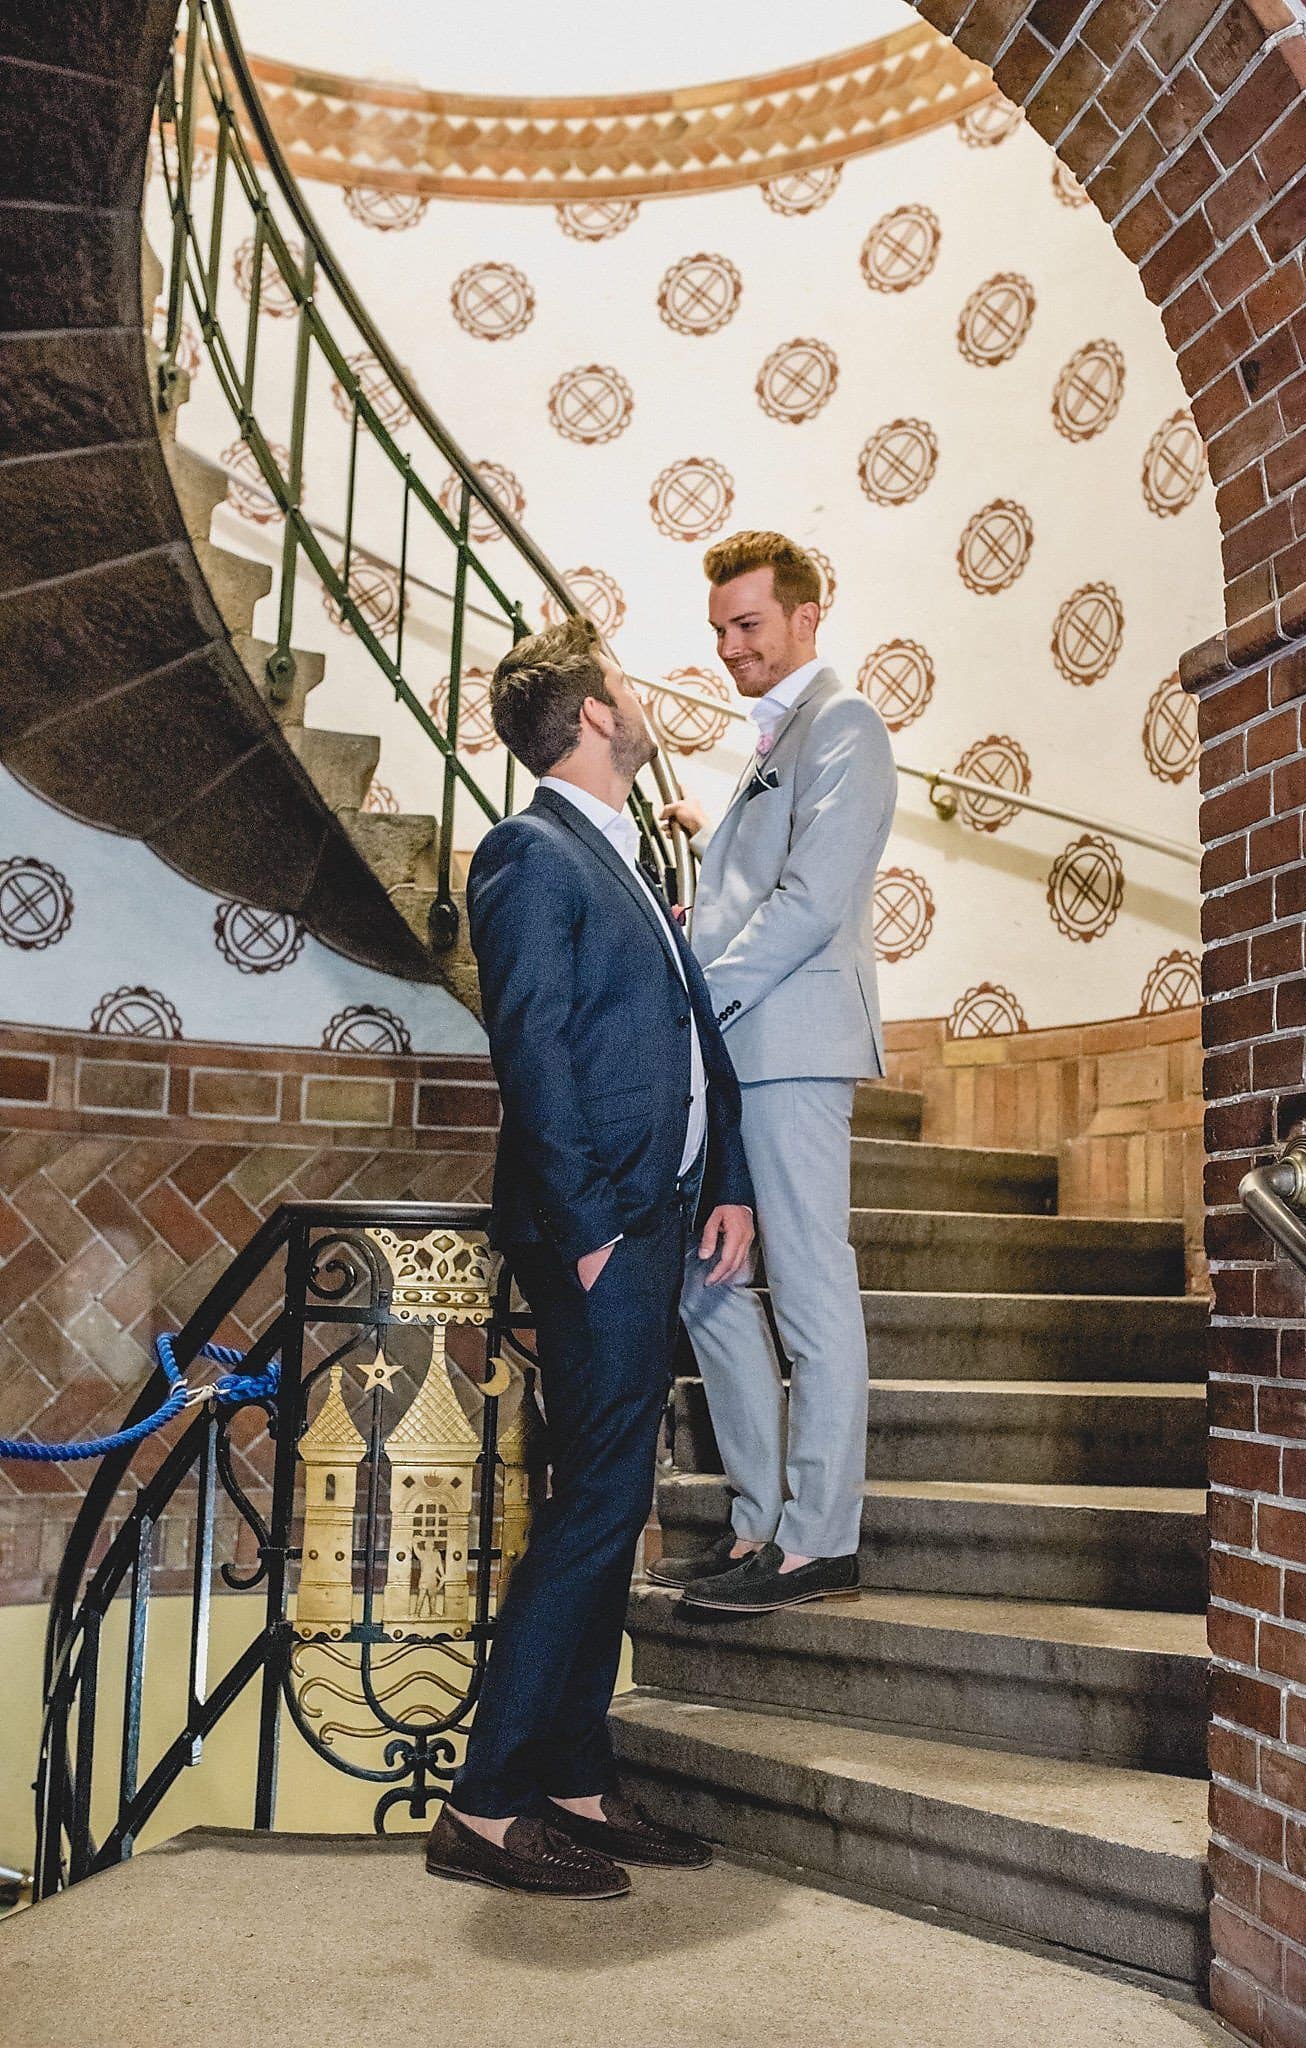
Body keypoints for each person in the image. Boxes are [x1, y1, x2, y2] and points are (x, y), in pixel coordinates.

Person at [425, 615, 755, 1901]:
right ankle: (489, 1800)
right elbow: (534, 1048)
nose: (644, 688)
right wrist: (590, 1225)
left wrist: (721, 1176)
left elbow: (684, 1028)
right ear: (593, 716)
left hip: (660, 1209)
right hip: (600, 1227)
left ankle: (568, 1771)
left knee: (611, 1499)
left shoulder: (624, 849)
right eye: (625, 679)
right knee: (591, 1505)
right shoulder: (528, 849)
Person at [653, 530, 897, 1615]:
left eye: (746, 624)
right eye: (716, 629)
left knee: (806, 1283)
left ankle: (816, 1538)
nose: (728, 647)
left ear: (805, 615)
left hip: (789, 1045)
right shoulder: (772, 741)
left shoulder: (845, 724)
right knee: (706, 1284)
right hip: (734, 1054)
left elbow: (807, 900)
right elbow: (755, 890)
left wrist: (697, 985)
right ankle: (757, 1519)